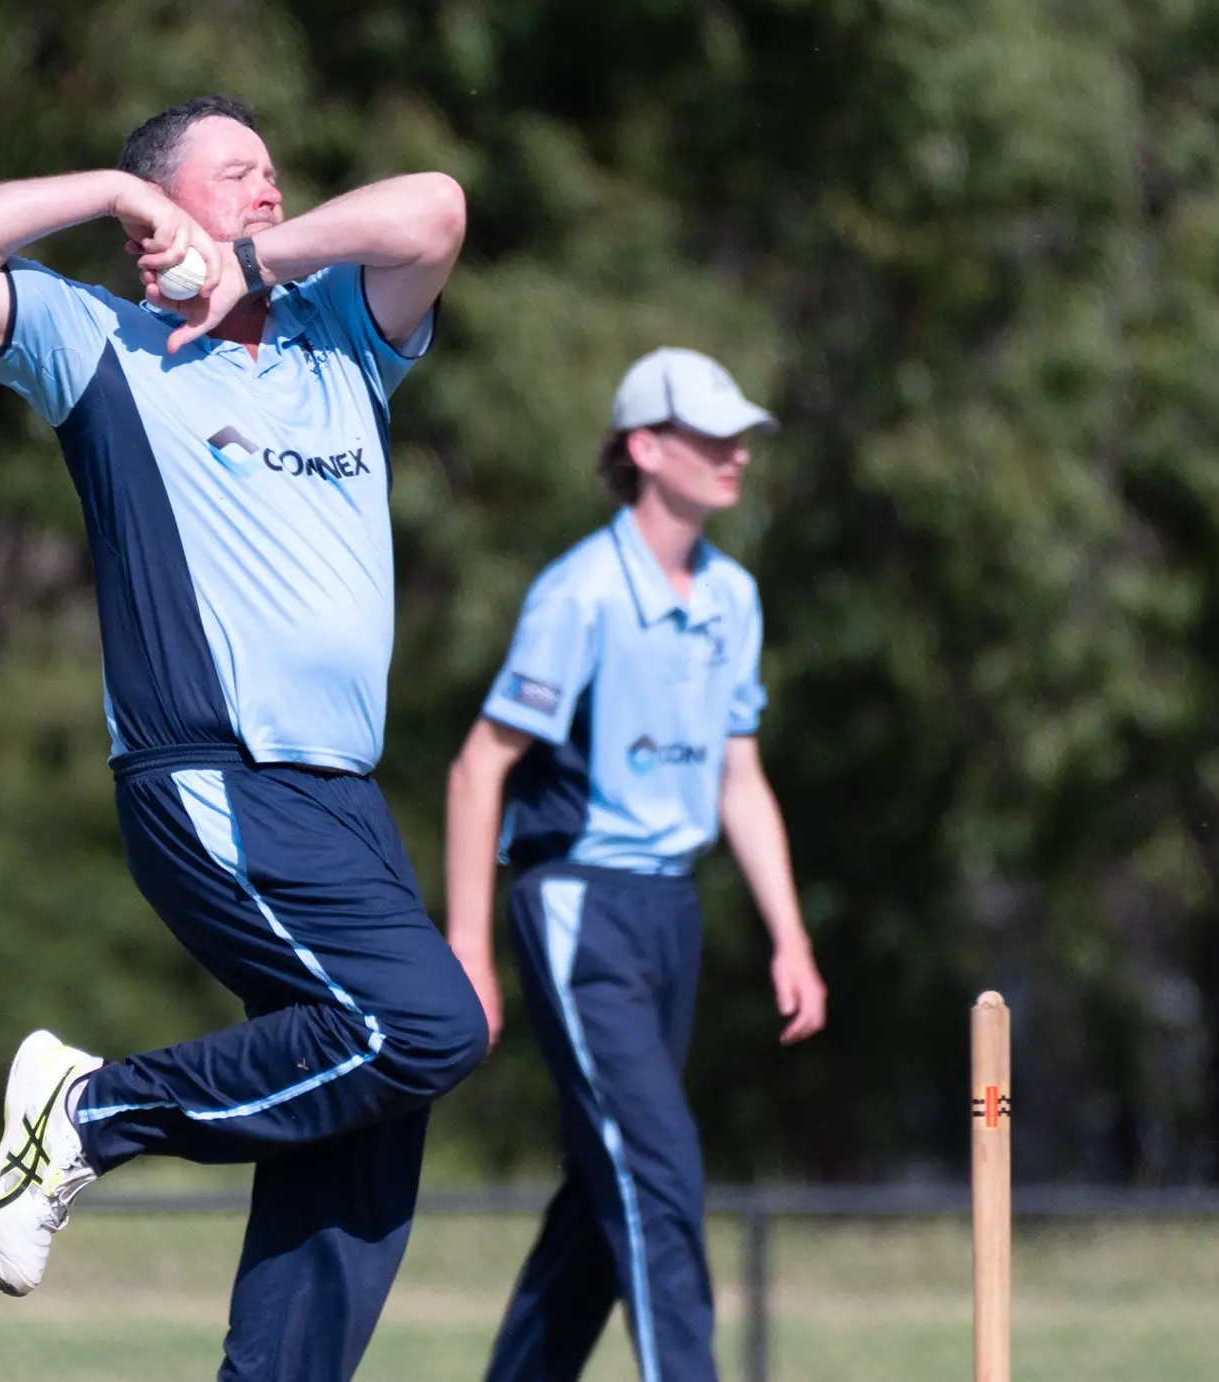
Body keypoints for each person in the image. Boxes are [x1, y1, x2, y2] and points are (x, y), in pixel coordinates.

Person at [0, 93, 485, 1382]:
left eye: (275, 173)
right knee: (428, 1025)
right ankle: (88, 1111)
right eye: (236, 178)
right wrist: (109, 190)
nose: (268, 191)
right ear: (165, 210)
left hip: (343, 803)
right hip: (213, 780)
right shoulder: (103, 344)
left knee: (366, 1132)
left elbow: (434, 206)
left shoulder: (341, 340)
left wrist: (261, 262)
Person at [442, 348, 829, 1382]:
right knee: (659, 1172)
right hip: (577, 902)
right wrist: (470, 952)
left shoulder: (733, 598)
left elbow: (738, 778)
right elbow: (481, 766)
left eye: (740, 435)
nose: (737, 453)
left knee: (600, 1189)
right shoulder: (580, 594)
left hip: (670, 911)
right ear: (646, 449)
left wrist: (790, 934)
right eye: (712, 437)